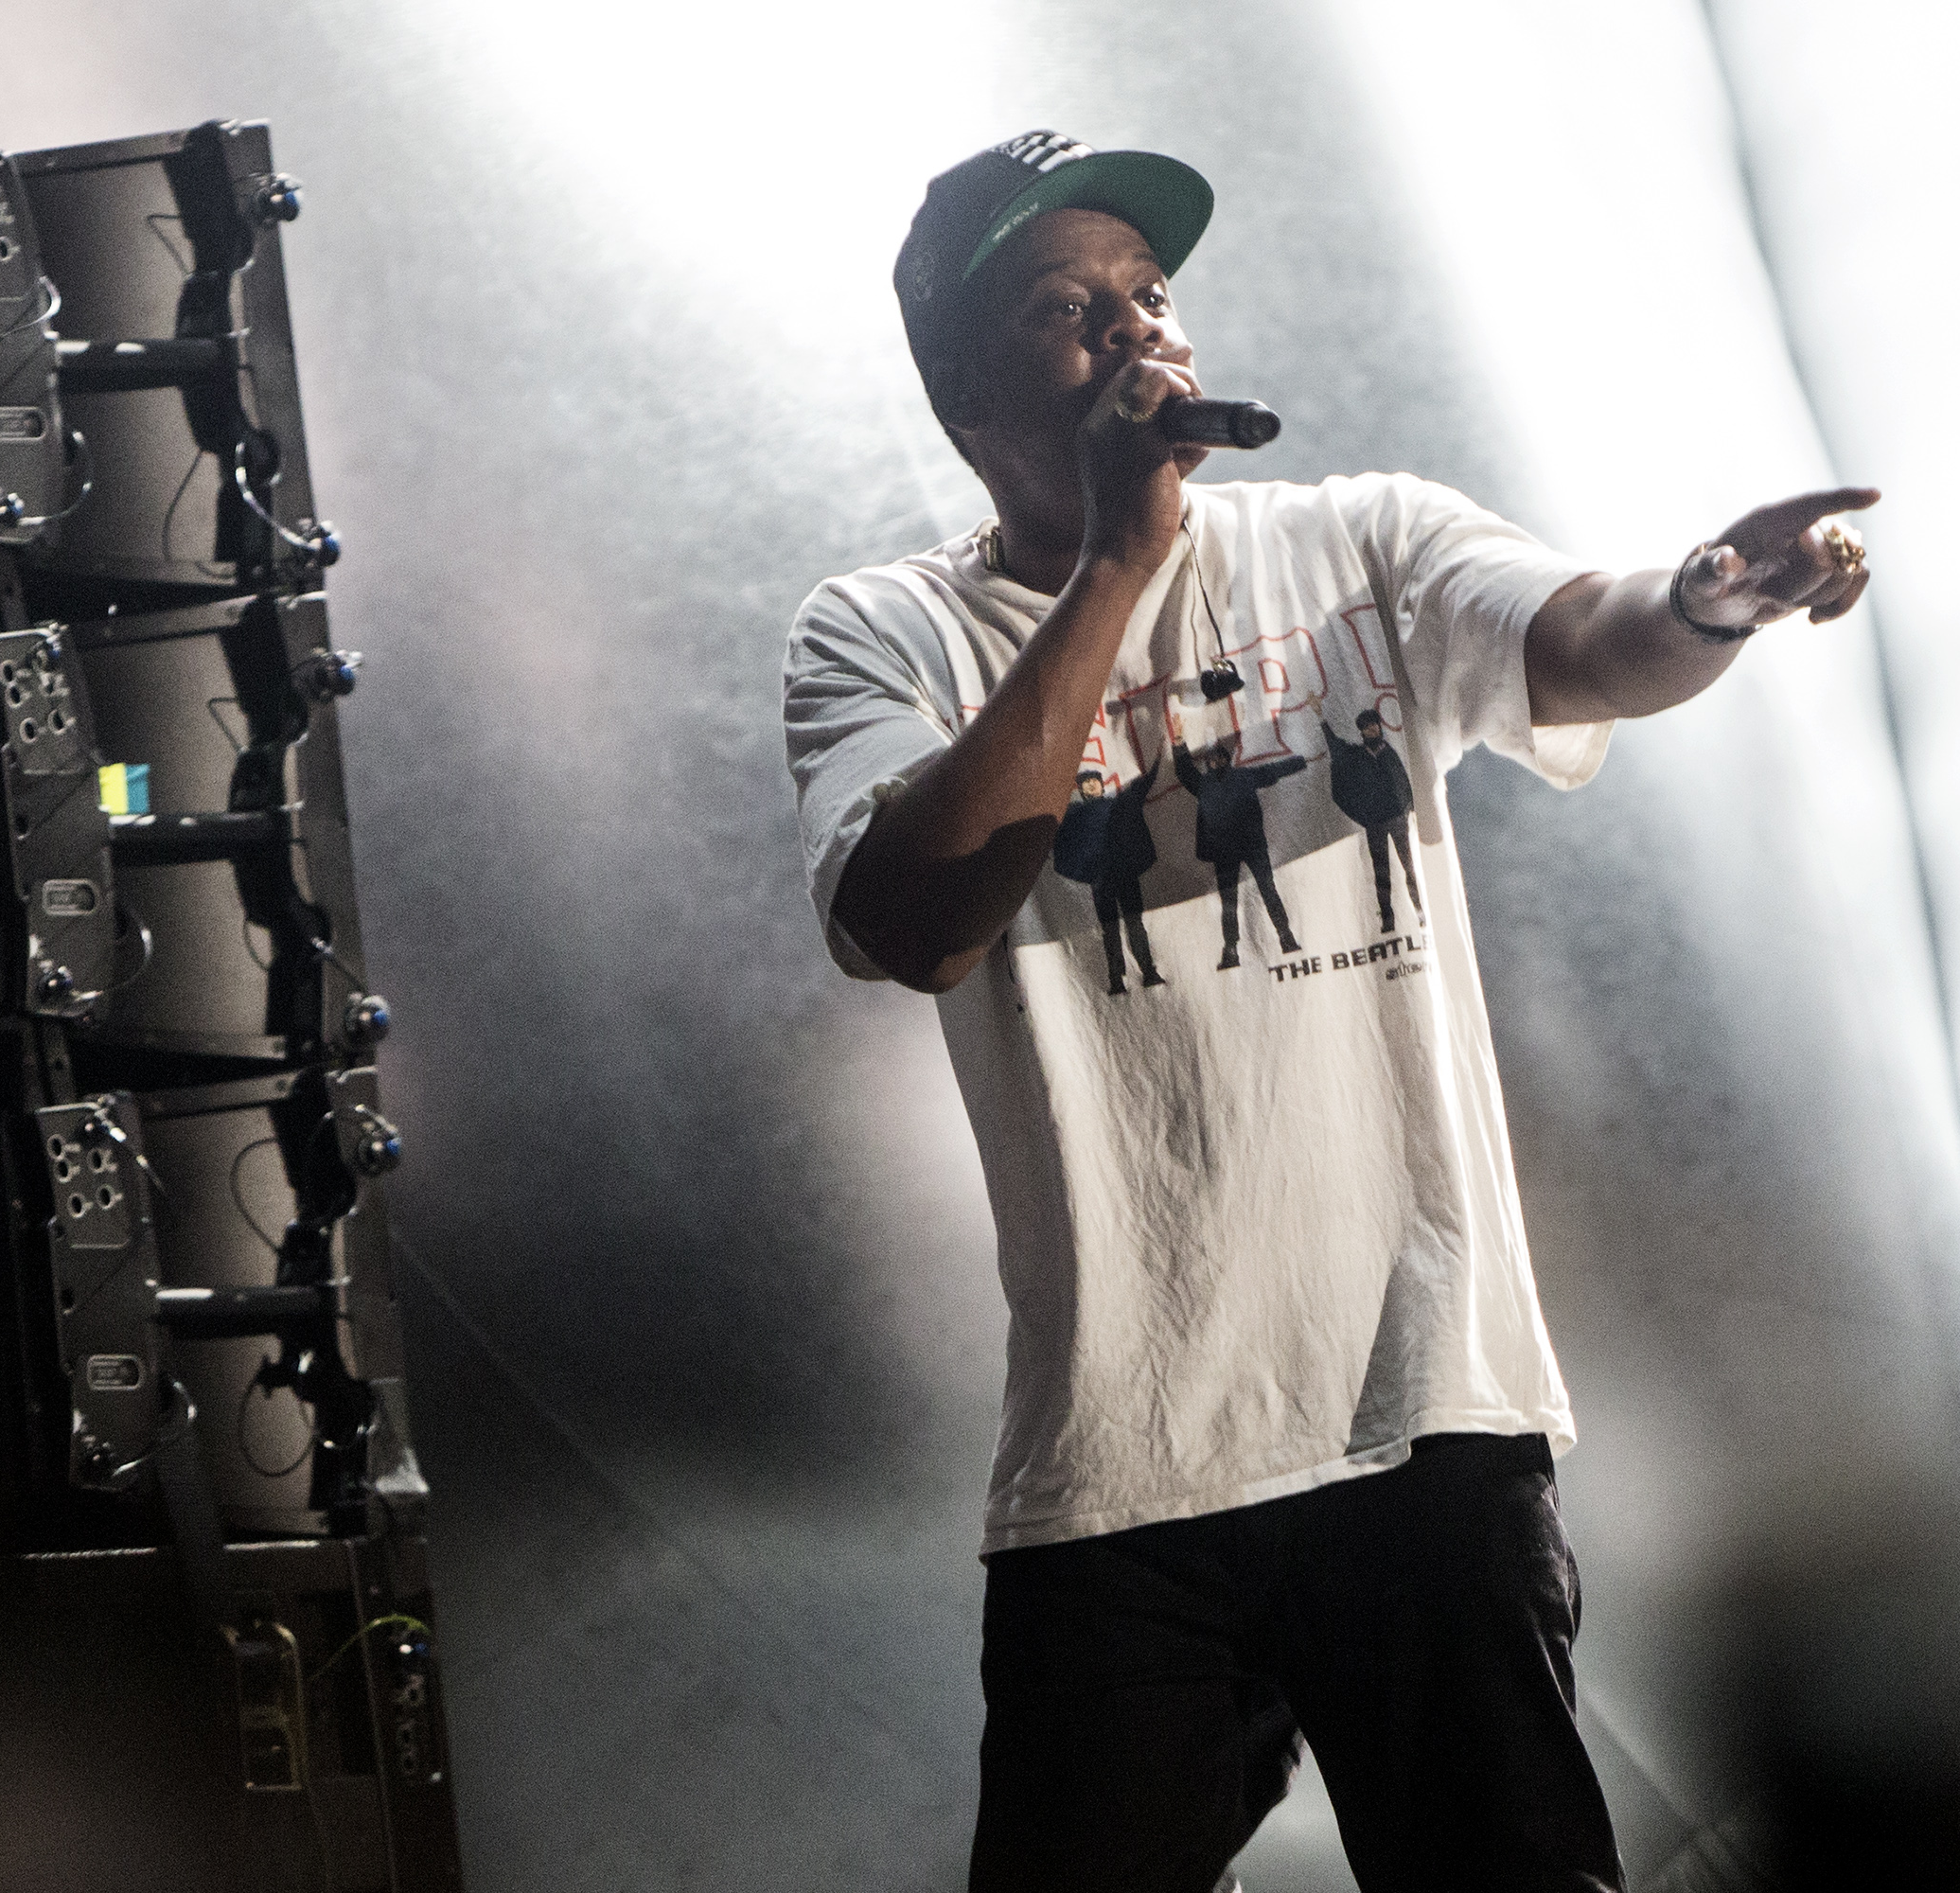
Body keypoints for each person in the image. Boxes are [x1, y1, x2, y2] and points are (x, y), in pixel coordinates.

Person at [784, 130, 1873, 1893]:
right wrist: (1114, 574)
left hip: (1419, 1413)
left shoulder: (1363, 546)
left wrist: (1711, 597)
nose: (1142, 338)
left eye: (1153, 295)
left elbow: (1587, 639)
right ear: (963, 385)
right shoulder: (885, 635)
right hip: (1126, 1463)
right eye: (1072, 313)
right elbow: (918, 916)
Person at [1168, 731, 1305, 967]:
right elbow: (1184, 771)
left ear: (1227, 760)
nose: (1215, 762)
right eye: (1210, 759)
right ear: (1207, 763)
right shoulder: (1203, 784)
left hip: (1251, 846)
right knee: (1230, 901)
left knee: (1267, 890)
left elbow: (1272, 771)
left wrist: (1300, 761)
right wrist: (1179, 744)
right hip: (1225, 852)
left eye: (1219, 758)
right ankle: (1232, 949)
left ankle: (1285, 936)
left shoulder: (1243, 776)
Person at [1052, 757, 1166, 994]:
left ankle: (1148, 971)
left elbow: (1141, 788)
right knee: (1111, 929)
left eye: (1095, 781)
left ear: (1103, 785)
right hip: (1100, 879)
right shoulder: (1074, 814)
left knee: (1135, 924)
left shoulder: (1118, 804)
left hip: (1124, 874)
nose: (1092, 785)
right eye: (1086, 783)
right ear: (1080, 789)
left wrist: (1157, 759)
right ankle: (1117, 978)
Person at [1323, 707, 1422, 935]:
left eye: (1375, 724)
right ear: (1362, 731)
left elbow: (1404, 782)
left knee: (1410, 868)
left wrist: (1408, 809)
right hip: (1375, 824)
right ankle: (1388, 921)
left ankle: (1419, 911)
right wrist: (1322, 720)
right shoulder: (1358, 756)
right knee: (1382, 874)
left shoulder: (1389, 752)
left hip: (1397, 820)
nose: (1373, 728)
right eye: (1368, 726)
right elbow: (1336, 748)